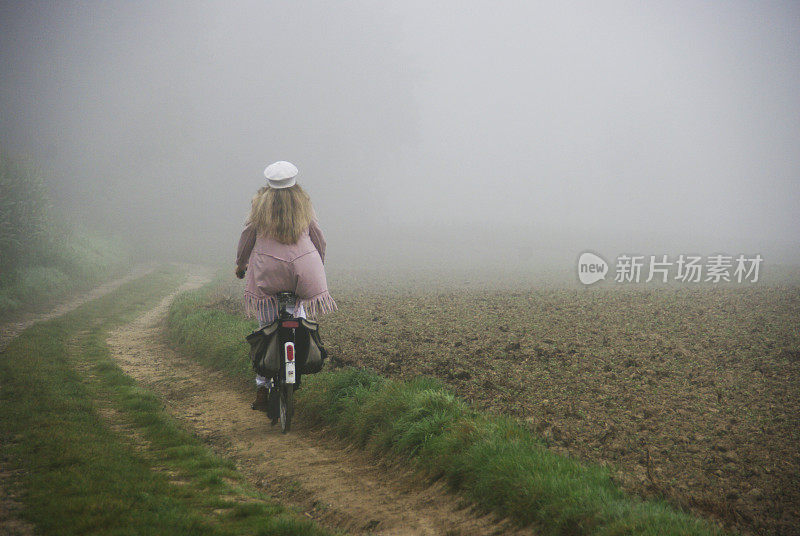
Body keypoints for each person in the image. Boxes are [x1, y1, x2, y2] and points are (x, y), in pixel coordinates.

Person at [235, 161, 336, 411]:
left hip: (269, 272)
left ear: (269, 183)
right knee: (298, 317)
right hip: (303, 270)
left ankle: (261, 386)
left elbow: (247, 236)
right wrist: (317, 263)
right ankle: (299, 359)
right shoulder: (304, 205)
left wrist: (240, 264)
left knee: (266, 328)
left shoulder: (259, 206)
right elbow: (319, 238)